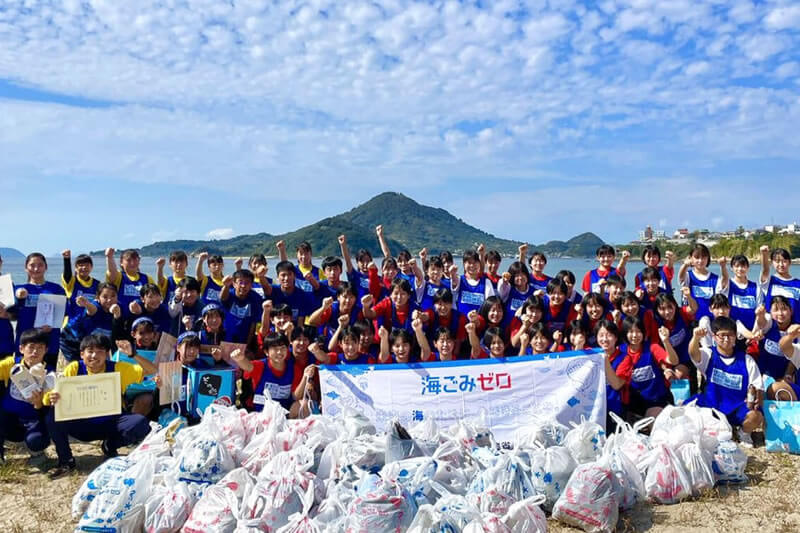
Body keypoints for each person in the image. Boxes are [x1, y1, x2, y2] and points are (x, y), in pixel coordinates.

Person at [44, 334, 155, 478]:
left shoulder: (117, 368)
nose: (94, 355)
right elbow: (52, 394)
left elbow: (152, 370)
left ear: (107, 354)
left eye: (100, 351)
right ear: (82, 354)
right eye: (90, 351)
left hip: (110, 423)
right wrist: (51, 397)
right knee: (53, 414)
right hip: (81, 423)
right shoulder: (74, 368)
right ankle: (66, 460)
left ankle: (110, 445)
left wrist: (133, 354)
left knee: (140, 422)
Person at [688, 316, 764, 446]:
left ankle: (743, 433)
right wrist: (696, 338)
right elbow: (693, 353)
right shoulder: (709, 354)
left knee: (756, 417)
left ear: (736, 336)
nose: (726, 339)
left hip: (737, 408)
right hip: (712, 407)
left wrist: (758, 399)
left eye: (730, 335)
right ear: (714, 336)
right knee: (687, 409)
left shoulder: (747, 360)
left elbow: (758, 387)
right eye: (722, 335)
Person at [0, 328, 53, 462]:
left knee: (36, 440)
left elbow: (47, 407)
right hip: (9, 417)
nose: (35, 352)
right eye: (31, 347)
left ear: (46, 350)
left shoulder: (50, 373)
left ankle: (37, 452)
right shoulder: (12, 364)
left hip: (34, 419)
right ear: (21, 348)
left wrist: (38, 403)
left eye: (40, 347)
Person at [155, 331, 225, 423]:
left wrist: (219, 361)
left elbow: (219, 384)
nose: (192, 351)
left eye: (195, 348)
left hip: (200, 416)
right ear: (178, 347)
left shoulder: (202, 365)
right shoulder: (169, 369)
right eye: (188, 347)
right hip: (177, 419)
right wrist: (159, 389)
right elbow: (159, 405)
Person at [13, 252, 67, 367]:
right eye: (32, 265)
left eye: (40, 265)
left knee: (48, 378)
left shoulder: (56, 289)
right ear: (26, 267)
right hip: (25, 342)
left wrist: (52, 325)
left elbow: (63, 313)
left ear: (46, 267)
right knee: (23, 378)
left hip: (49, 341)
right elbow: (11, 313)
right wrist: (18, 297)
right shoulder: (19, 289)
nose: (36, 268)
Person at [620, 316, 679, 418]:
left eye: (638, 331)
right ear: (625, 333)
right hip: (633, 401)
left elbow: (673, 361)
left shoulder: (652, 347)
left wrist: (665, 341)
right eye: (630, 332)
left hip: (656, 399)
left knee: (652, 420)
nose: (635, 335)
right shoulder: (620, 350)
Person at [232, 333, 303, 412]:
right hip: (261, 413)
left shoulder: (294, 369)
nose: (279, 352)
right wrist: (240, 359)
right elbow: (247, 366)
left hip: (285, 413)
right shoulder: (261, 366)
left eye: (283, 348)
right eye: (275, 349)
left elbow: (295, 396)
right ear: (266, 352)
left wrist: (305, 377)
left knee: (303, 404)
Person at [753, 297, 799, 400]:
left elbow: (796, 357)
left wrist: (787, 375)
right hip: (765, 375)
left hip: (786, 376)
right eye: (776, 310)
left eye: (784, 309)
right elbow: (761, 323)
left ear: (791, 311)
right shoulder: (769, 324)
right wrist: (760, 315)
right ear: (770, 312)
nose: (780, 313)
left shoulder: (796, 330)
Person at [595, 319, 632, 428]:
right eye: (601, 335)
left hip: (615, 408)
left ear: (616, 338)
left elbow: (617, 385)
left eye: (609, 335)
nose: (605, 339)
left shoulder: (625, 358)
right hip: (594, 408)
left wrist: (605, 361)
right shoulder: (591, 355)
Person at [105, 248, 157, 318]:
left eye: (135, 260)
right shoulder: (119, 277)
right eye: (128, 260)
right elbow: (112, 271)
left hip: (141, 319)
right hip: (121, 318)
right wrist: (109, 257)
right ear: (121, 262)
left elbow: (155, 297)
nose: (132, 263)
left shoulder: (147, 278)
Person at [678, 244, 726, 321]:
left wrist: (723, 267)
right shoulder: (688, 276)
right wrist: (685, 265)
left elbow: (724, 283)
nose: (700, 261)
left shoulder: (715, 279)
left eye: (703, 257)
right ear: (691, 258)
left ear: (708, 259)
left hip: (710, 321)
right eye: (697, 257)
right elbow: (681, 277)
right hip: (691, 320)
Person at [219, 269, 263, 346]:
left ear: (251, 284)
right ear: (234, 284)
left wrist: (247, 346)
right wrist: (225, 286)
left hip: (244, 338)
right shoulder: (229, 294)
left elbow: (253, 324)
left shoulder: (256, 298)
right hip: (226, 337)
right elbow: (222, 298)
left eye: (247, 283)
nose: (243, 286)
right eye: (240, 282)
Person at [452, 248, 496, 316]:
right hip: (461, 323)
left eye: (475, 262)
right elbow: (454, 285)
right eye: (469, 263)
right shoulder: (459, 280)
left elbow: (491, 305)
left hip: (479, 323)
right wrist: (453, 274)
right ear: (464, 264)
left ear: (479, 264)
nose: (472, 265)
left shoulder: (486, 282)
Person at [61, 249, 100, 323]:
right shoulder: (71, 282)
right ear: (75, 268)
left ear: (91, 267)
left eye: (87, 265)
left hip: (89, 325)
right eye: (81, 265)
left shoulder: (97, 284)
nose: (84, 268)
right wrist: (66, 259)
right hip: (71, 324)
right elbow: (67, 275)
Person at [758, 246, 800, 315]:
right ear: (772, 263)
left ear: (789, 262)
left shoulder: (798, 284)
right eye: (777, 261)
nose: (781, 264)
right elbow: (765, 269)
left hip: (793, 324)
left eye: (784, 261)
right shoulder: (769, 281)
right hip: (771, 324)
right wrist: (764, 254)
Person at [723, 254, 759, 332]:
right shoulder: (728, 285)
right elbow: (724, 278)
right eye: (737, 266)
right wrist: (723, 266)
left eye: (743, 266)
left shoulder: (755, 287)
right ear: (732, 268)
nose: (740, 269)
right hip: (732, 329)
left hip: (751, 329)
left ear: (747, 268)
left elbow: (759, 311)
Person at [310, 327, 376, 365]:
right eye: (347, 343)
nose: (351, 347)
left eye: (354, 343)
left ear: (359, 342)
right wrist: (316, 351)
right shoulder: (336, 358)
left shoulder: (368, 360)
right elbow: (324, 358)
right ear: (340, 344)